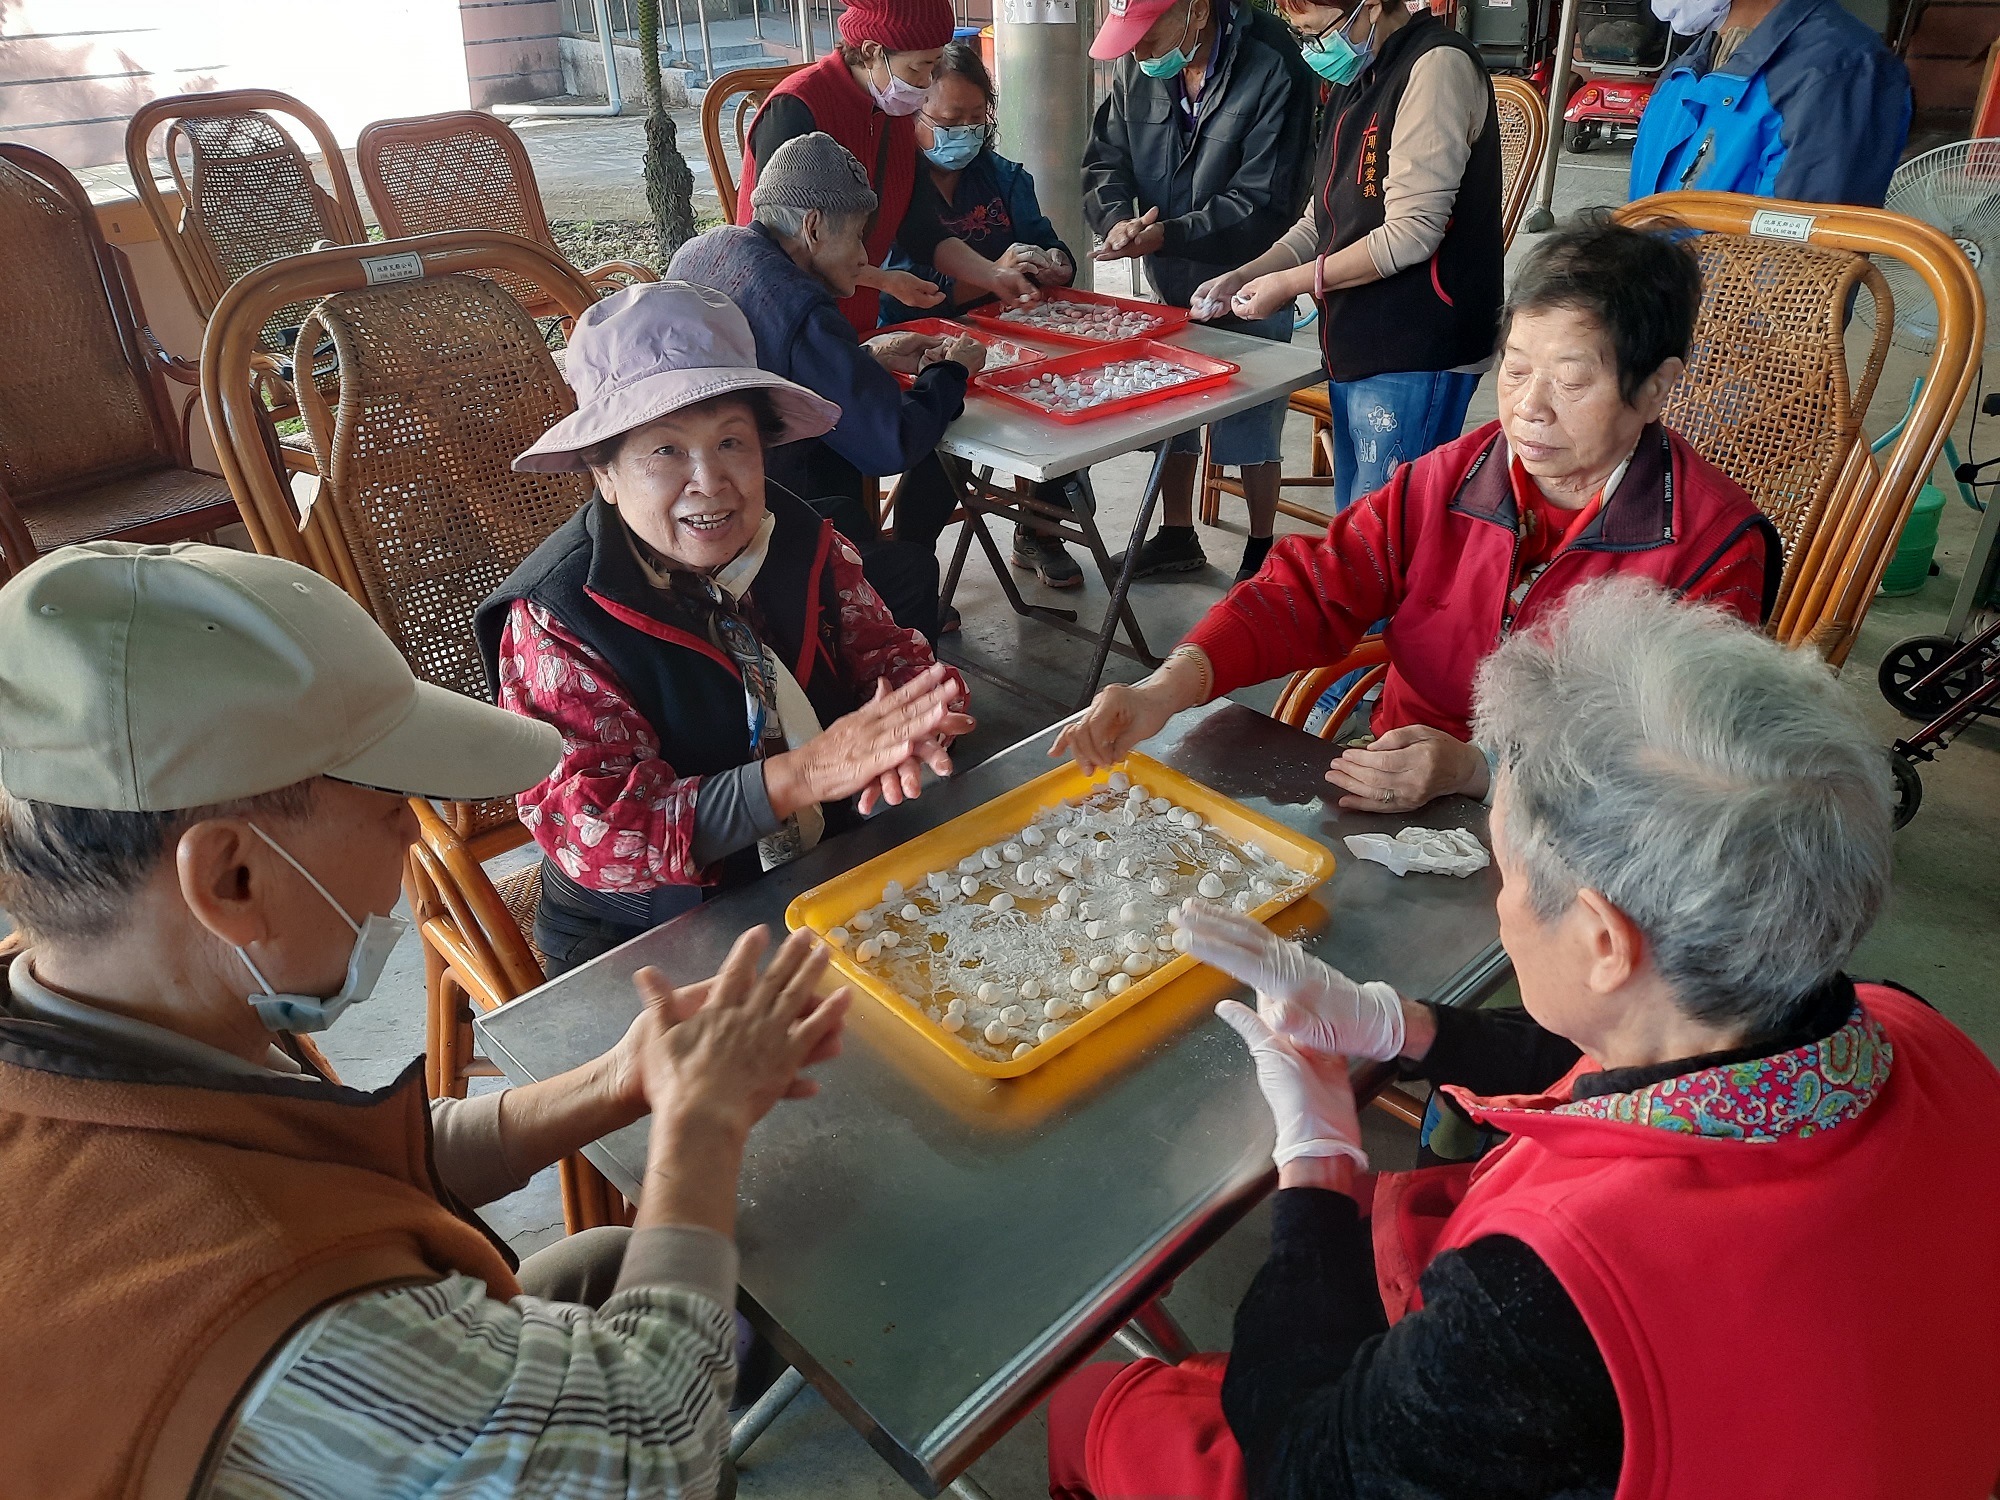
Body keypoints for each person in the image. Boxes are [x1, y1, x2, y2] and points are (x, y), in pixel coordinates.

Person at [1046, 578, 2000, 1497]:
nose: (1503, 904)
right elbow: (1630, 1050)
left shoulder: (1539, 1301)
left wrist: (1319, 1159)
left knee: (1093, 1406)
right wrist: (1398, 1023)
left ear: (1599, 940)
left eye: (1504, 873)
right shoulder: (1906, 1028)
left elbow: (1305, 1464)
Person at [0, 540, 851, 1498]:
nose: (414, 834)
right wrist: (700, 1132)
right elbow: (643, 1464)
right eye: (387, 803)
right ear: (231, 879)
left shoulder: (102, 1023)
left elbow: (333, 1166)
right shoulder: (263, 1293)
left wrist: (616, 1082)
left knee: (620, 1261)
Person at [1056, 219, 1780, 814]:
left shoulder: (1712, 547)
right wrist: (1165, 690)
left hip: (1582, 831)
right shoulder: (1461, 474)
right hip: (1396, 783)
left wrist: (1476, 769)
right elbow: (1312, 587)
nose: (1529, 407)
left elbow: (1678, 770)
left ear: (1657, 389)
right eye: (1517, 368)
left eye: (1572, 381)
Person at [478, 279, 972, 974]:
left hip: (815, 865)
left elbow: (890, 655)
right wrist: (803, 775)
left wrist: (916, 719)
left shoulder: (801, 540)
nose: (710, 481)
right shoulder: (558, 616)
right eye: (665, 451)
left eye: (732, 441)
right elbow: (602, 831)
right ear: (604, 475)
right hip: (648, 928)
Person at [1192, 0, 1505, 515]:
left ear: (1374, 6)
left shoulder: (1436, 66)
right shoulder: (1357, 77)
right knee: (1359, 526)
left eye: (1320, 31)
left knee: (1386, 533)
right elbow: (1322, 221)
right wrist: (1249, 274)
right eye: (1303, 35)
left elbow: (1411, 233)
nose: (1315, 48)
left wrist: (1293, 284)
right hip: (1360, 336)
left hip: (1418, 341)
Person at [673, 133, 985, 638]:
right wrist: (950, 375)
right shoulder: (800, 305)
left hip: (701, 506)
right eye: (859, 235)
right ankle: (875, 702)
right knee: (910, 569)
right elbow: (890, 445)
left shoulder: (708, 249)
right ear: (814, 227)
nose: (865, 257)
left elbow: (771, 364)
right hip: (753, 532)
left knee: (852, 518)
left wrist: (865, 356)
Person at [1083, 0, 1318, 582]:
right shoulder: (1142, 63)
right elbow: (1105, 159)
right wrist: (1117, 219)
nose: (1139, 53)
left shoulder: (1273, 62)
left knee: (1255, 412)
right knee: (1173, 411)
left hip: (1252, 270)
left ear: (1195, 10)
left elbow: (1265, 196)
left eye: (1148, 36)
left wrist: (1168, 233)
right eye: (1130, 41)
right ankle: (1176, 535)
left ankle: (1261, 549)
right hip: (1169, 270)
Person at [881, 40, 1090, 590]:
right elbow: (896, 291)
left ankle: (1040, 527)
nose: (966, 132)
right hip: (919, 338)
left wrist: (1053, 264)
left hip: (1008, 330)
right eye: (951, 119)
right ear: (914, 113)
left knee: (1071, 390)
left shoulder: (1001, 177)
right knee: (941, 415)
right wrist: (987, 272)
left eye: (978, 118)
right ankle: (914, 571)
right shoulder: (893, 183)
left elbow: (1049, 242)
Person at [736, 0, 1042, 334]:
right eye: (917, 69)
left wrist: (992, 275)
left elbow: (921, 227)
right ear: (870, 51)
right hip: (785, 319)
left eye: (934, 67)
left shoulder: (894, 115)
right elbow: (785, 241)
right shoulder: (796, 107)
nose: (925, 84)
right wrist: (883, 280)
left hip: (856, 322)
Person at [1630, 0, 1911, 207]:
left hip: (1714, 287)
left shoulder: (1837, 73)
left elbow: (1797, 268)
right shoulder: (1684, 71)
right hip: (1658, 285)